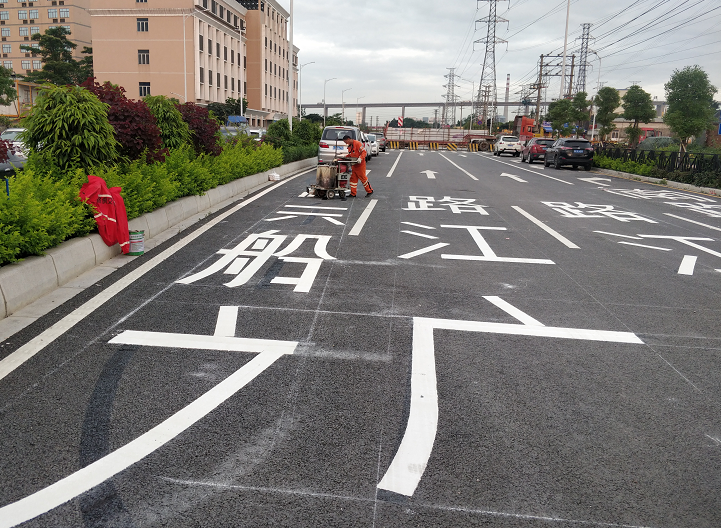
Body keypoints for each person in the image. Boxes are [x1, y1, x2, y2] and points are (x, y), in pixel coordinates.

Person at [341, 135, 373, 199]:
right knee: (353, 179)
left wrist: (360, 158)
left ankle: (369, 191)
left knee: (363, 178)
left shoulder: (357, 143)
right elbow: (351, 155)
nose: (346, 143)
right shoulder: (350, 146)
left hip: (360, 165)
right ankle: (353, 193)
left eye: (345, 142)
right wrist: (345, 157)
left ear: (348, 139)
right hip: (354, 165)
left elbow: (364, 152)